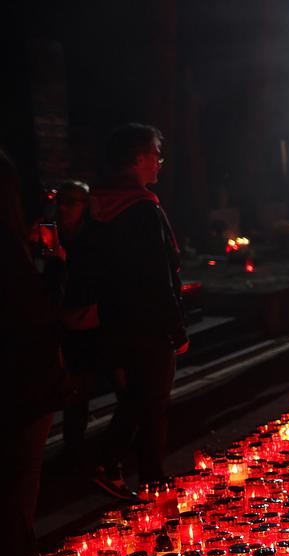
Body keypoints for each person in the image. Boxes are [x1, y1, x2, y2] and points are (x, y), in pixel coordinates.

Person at [89, 124, 187, 499]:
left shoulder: (101, 204)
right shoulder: (142, 208)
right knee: (152, 398)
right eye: (155, 155)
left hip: (116, 317)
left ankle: (142, 471)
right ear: (138, 157)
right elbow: (157, 274)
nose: (159, 163)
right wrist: (176, 329)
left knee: (138, 395)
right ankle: (127, 468)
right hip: (148, 322)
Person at [0, 150, 67, 556]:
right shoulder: (7, 245)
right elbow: (36, 314)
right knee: (19, 477)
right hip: (20, 382)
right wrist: (57, 270)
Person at [53, 180, 100, 464]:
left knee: (85, 381)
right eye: (61, 200)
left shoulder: (92, 237)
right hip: (58, 318)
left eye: (72, 202)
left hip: (90, 317)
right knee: (71, 384)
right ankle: (73, 445)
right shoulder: (48, 235)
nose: (63, 207)